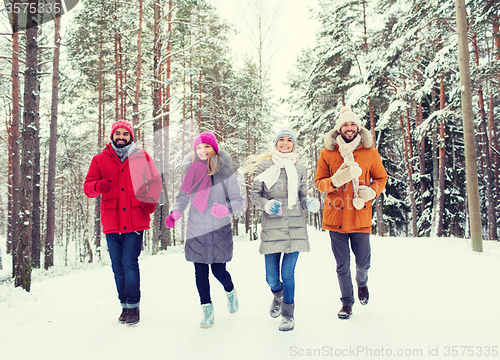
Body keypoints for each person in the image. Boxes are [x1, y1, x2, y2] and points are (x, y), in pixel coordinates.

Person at [84, 120, 161, 326]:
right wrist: (98, 185)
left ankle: (134, 307)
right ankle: (124, 306)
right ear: (112, 136)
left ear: (130, 137)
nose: (121, 137)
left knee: (129, 263)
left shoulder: (141, 157)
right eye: (117, 133)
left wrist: (150, 202)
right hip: (112, 221)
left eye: (125, 134)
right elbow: (88, 187)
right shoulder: (100, 160)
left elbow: (155, 181)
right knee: (117, 266)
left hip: (136, 219)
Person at [314, 106, 388, 320]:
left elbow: (381, 178)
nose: (349, 128)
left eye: (352, 124)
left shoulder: (369, 151)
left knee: (363, 261)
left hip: (360, 214)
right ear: (339, 128)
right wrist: (334, 181)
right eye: (345, 124)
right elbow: (319, 183)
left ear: (358, 127)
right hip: (335, 216)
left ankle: (362, 283)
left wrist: (371, 192)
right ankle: (347, 303)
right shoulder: (328, 152)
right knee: (342, 265)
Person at [165, 131, 243, 329]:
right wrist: (176, 213)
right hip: (197, 229)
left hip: (219, 229)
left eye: (206, 146)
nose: (202, 150)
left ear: (214, 148)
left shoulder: (225, 173)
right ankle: (207, 310)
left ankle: (230, 290)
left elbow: (237, 201)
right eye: (198, 147)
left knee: (219, 271)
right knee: (200, 272)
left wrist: (226, 209)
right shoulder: (191, 172)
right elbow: (182, 197)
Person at [245, 127, 320, 331]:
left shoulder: (301, 168)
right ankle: (277, 295)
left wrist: (310, 203)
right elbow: (255, 195)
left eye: (289, 140)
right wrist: (266, 205)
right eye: (281, 140)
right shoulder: (264, 167)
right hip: (272, 228)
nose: (285, 143)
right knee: (271, 277)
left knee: (288, 273)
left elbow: (303, 196)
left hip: (295, 228)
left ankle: (288, 314)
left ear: (294, 145)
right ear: (276, 143)